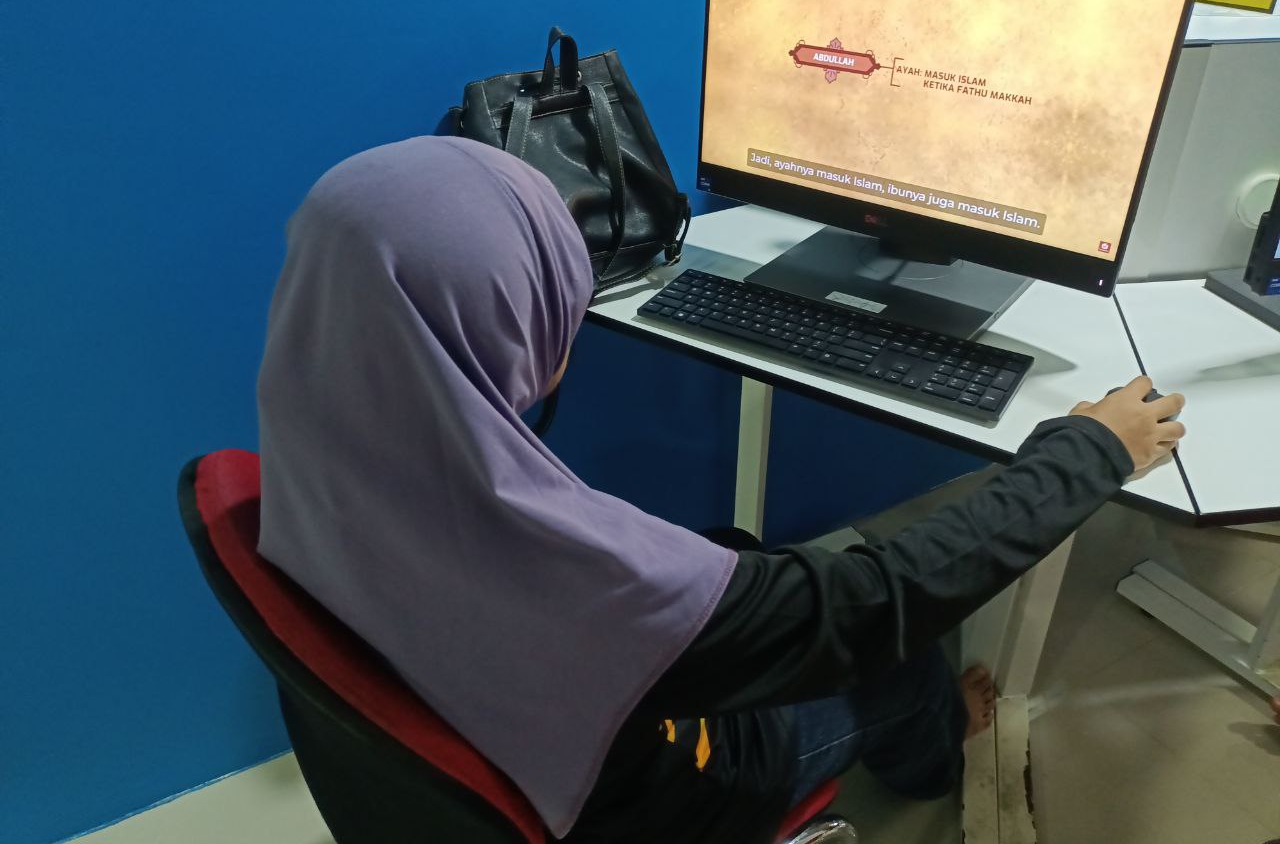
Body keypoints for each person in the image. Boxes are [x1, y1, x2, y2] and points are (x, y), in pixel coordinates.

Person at [256, 136, 1186, 844]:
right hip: (658, 800)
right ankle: (939, 756)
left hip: (479, 724)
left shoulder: (310, 447)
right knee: (894, 658)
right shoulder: (592, 590)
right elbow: (878, 602)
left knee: (734, 555)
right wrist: (1090, 450)